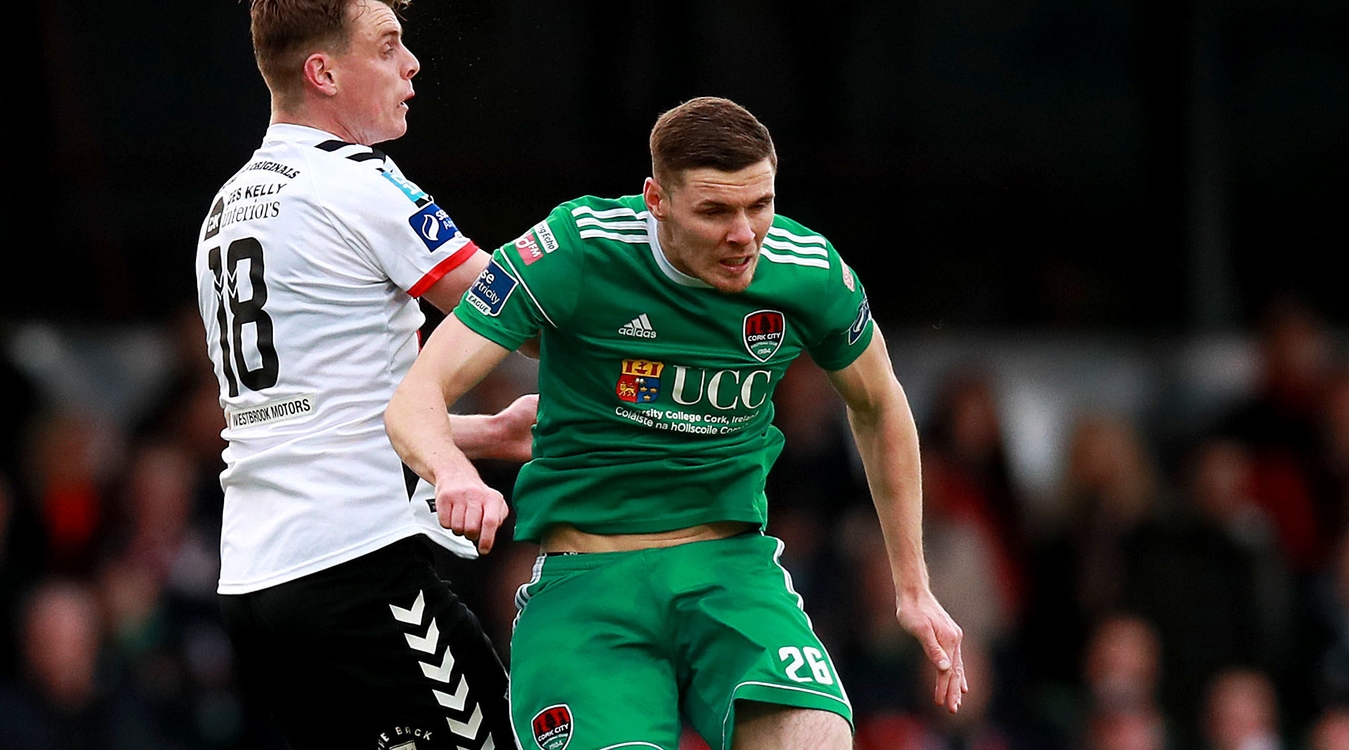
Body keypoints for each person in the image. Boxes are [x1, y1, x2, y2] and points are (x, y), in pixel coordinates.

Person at [386, 97, 966, 750]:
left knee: (817, 736)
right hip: (589, 589)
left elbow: (879, 405)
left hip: (731, 572)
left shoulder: (808, 270)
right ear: (656, 199)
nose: (744, 233)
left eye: (759, 205)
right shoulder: (576, 249)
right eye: (715, 211)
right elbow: (416, 396)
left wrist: (914, 588)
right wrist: (452, 471)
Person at [193, 0, 534, 750]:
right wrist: (655, 319)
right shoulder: (355, 178)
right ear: (324, 74)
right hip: (355, 568)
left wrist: (479, 435)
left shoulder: (227, 205)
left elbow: (307, 414)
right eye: (387, 47)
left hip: (255, 584)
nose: (412, 65)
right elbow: (508, 308)